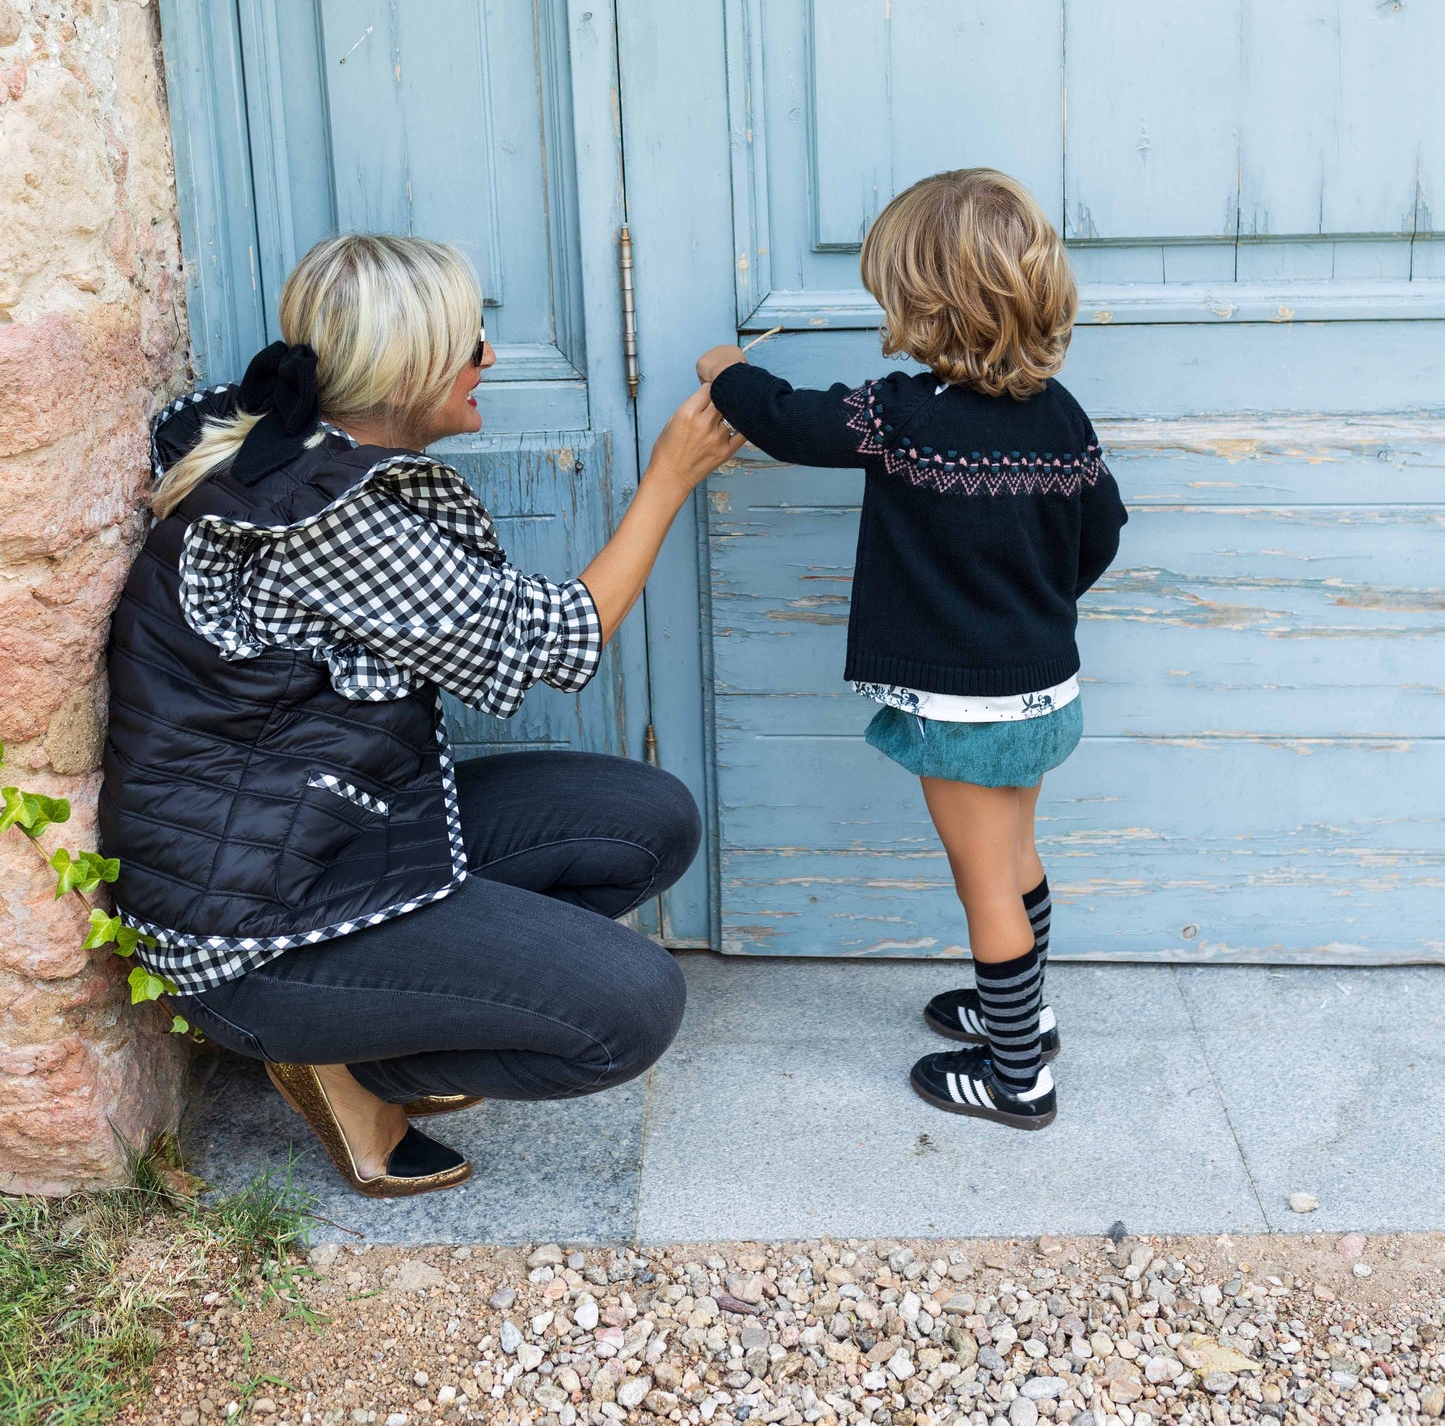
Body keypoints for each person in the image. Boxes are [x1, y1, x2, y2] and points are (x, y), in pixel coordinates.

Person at [102, 233, 742, 1198]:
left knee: (645, 822)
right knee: (632, 1009)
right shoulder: (329, 520)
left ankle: (390, 1014)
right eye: (470, 342)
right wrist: (669, 479)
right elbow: (553, 641)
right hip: (254, 926)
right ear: (403, 372)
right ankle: (358, 1065)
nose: (489, 358)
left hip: (323, 833)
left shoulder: (272, 431)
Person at [698, 168, 1127, 1131]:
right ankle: (1023, 1011)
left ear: (921, 302)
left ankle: (1017, 1076)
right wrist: (1035, 608)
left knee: (984, 884)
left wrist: (724, 370)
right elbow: (1103, 528)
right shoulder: (1058, 414)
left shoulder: (904, 415)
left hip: (964, 710)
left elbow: (787, 421)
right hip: (1042, 693)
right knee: (1016, 855)